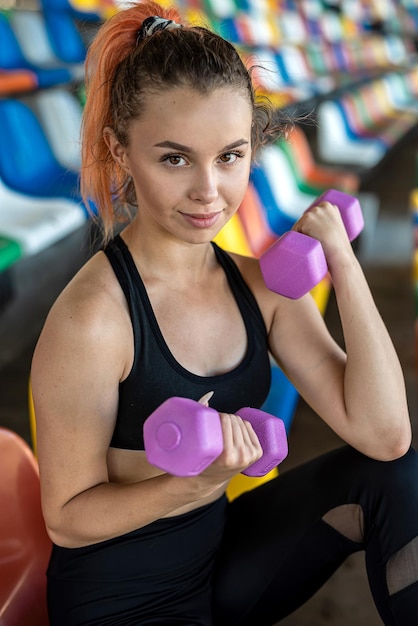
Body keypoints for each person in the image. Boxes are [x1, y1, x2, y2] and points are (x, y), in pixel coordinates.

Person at [30, 2, 418, 625]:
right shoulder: (93, 320)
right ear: (121, 151)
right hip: (121, 599)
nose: (209, 191)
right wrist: (186, 487)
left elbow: (385, 434)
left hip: (218, 562)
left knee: (398, 480)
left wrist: (343, 263)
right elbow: (67, 519)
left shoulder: (261, 286)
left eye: (230, 156)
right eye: (175, 158)